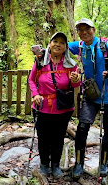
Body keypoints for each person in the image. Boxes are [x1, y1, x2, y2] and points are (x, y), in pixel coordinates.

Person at [68, 18, 108, 178]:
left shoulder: (107, 46)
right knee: (82, 127)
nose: (84, 32)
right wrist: (43, 51)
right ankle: (79, 164)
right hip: (91, 95)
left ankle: (104, 163)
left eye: (87, 29)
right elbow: (61, 46)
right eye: (80, 30)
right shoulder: (79, 46)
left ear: (94, 29)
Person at [28, 31, 81, 177]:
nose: (58, 44)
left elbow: (77, 84)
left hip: (62, 109)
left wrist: (76, 79)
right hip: (42, 107)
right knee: (43, 137)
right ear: (50, 45)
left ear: (66, 47)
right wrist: (35, 94)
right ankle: (44, 164)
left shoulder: (71, 64)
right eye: (55, 41)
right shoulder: (40, 62)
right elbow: (31, 80)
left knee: (58, 138)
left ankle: (56, 165)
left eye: (62, 43)